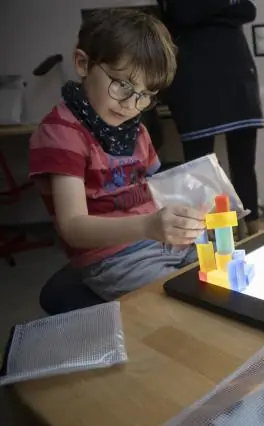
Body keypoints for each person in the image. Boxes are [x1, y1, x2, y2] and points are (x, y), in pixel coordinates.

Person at [29, 9, 206, 303]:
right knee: (180, 304)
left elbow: (161, 188)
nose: (131, 105)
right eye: (123, 85)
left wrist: (198, 202)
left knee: (222, 279)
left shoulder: (135, 131)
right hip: (115, 259)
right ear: (83, 63)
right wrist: (147, 226)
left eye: (145, 94)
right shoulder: (62, 133)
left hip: (162, 243)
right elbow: (73, 227)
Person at [159, 0, 264, 237]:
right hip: (195, 83)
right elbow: (183, 13)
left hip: (237, 78)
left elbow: (248, 9)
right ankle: (210, 233)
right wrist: (226, 7)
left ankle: (253, 228)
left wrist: (206, 12)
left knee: (244, 163)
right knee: (198, 168)